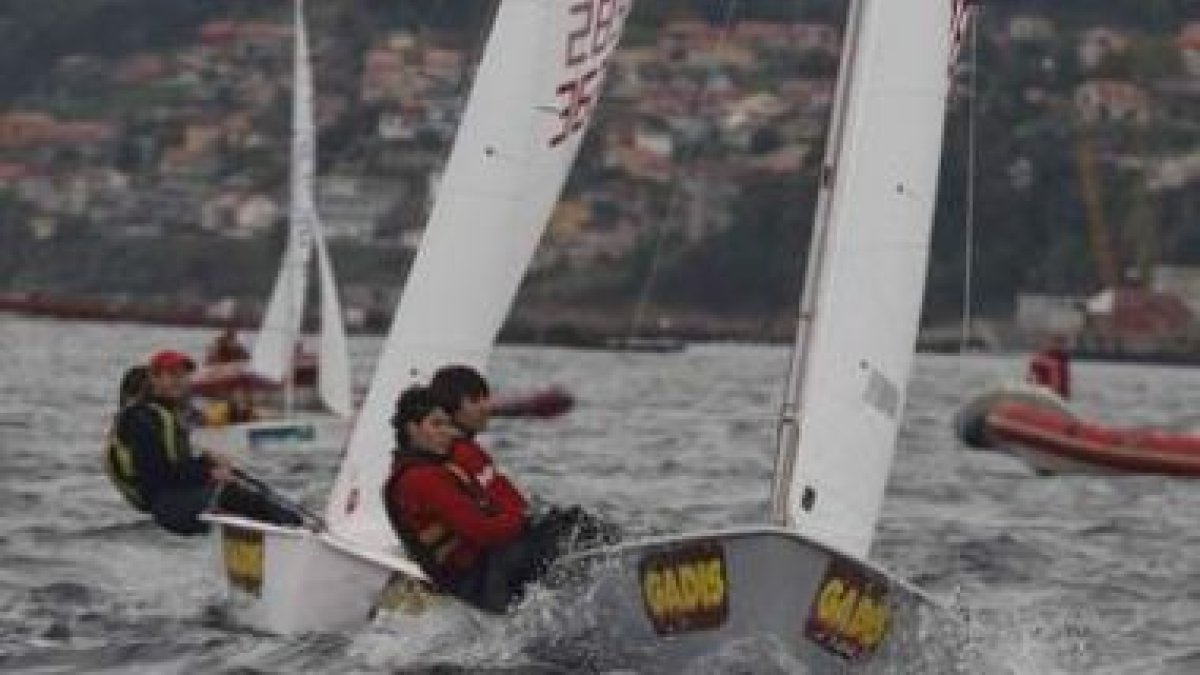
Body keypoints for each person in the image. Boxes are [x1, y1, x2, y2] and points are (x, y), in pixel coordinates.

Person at [385, 386, 595, 613]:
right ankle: (624, 573)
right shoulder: (421, 479)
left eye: (448, 424)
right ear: (412, 429)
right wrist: (523, 518)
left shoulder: (426, 470)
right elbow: (483, 532)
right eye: (436, 424)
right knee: (572, 526)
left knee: (559, 524)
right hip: (482, 583)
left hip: (478, 577)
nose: (448, 432)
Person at [105, 349, 303, 535]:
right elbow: (157, 475)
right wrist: (207, 471)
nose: (179, 381)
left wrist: (207, 463)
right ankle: (298, 532)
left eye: (183, 375)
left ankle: (300, 525)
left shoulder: (165, 413)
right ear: (154, 379)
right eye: (172, 375)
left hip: (176, 498)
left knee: (243, 482)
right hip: (167, 505)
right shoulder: (143, 418)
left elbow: (174, 466)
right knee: (235, 494)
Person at [429, 365, 617, 553]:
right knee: (579, 526)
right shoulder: (454, 455)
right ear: (452, 409)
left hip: (512, 537)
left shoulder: (464, 447)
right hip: (497, 555)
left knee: (577, 522)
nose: (487, 406)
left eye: (485, 398)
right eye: (475, 400)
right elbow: (485, 521)